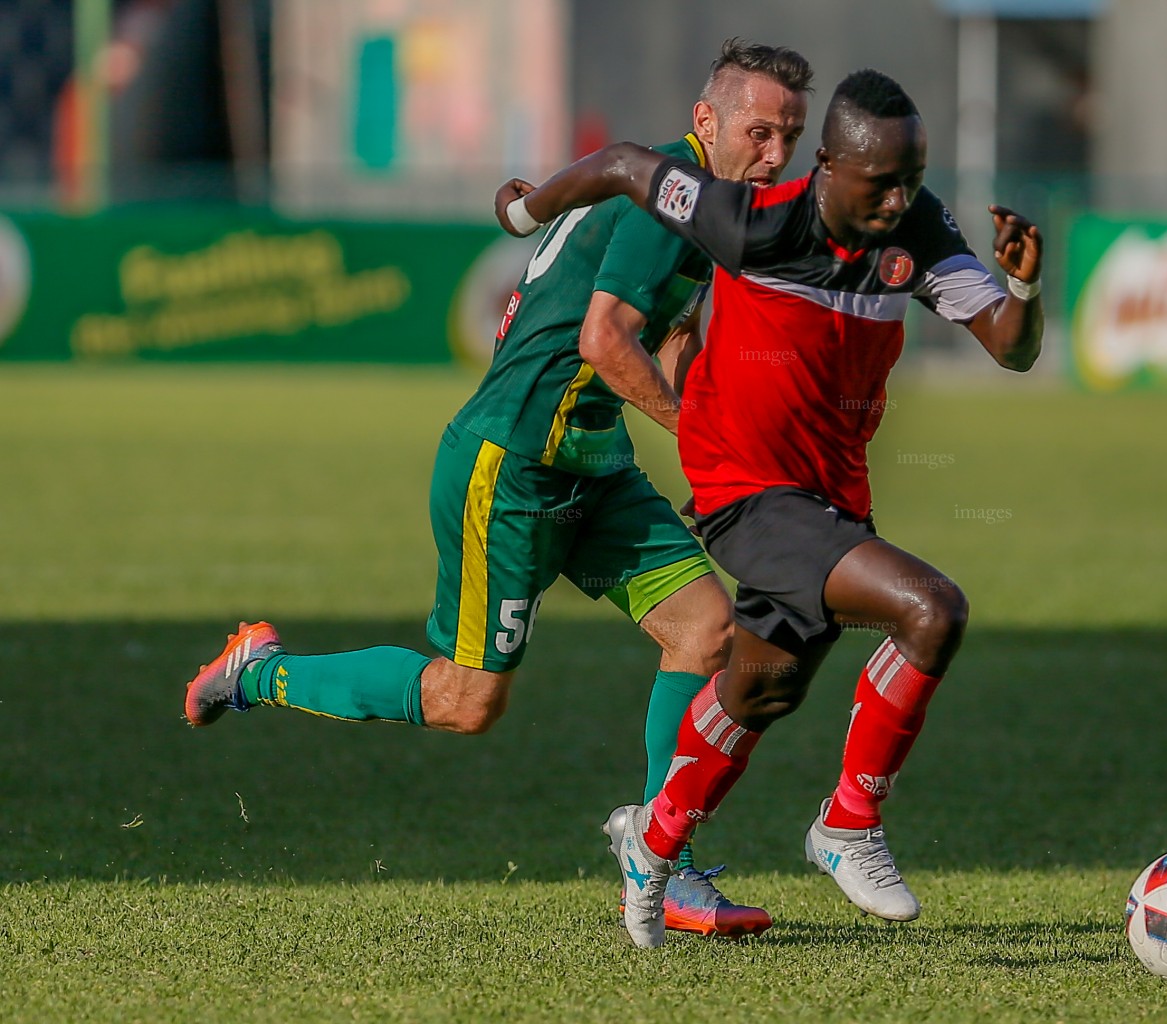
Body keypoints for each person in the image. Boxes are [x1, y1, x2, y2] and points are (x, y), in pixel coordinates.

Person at [182, 39, 814, 940]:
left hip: (593, 464)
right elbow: (604, 341)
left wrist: (720, 451)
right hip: (509, 465)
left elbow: (665, 336)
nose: (776, 156)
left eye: (789, 137)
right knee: (466, 701)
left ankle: (660, 857)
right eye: (761, 132)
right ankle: (260, 673)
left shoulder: (700, 202)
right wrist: (712, 437)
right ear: (706, 121)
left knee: (708, 630)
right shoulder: (667, 196)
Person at [499, 67, 1043, 948]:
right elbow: (627, 164)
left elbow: (1012, 351)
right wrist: (523, 214)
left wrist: (1021, 289)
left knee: (760, 690)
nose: (897, 197)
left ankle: (654, 838)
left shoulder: (918, 227)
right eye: (879, 181)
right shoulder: (749, 220)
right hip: (745, 493)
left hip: (830, 501)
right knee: (932, 610)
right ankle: (849, 825)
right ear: (828, 166)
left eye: (912, 176)